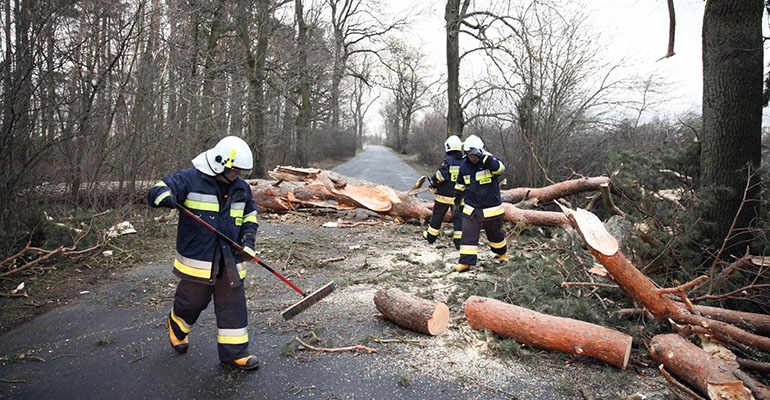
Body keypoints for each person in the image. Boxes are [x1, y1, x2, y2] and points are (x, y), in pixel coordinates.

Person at [147, 136, 260, 371]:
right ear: (220, 164)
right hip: (198, 259)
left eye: (241, 170)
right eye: (235, 170)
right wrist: (164, 197)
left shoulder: (242, 188)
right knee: (192, 302)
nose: (238, 174)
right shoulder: (190, 179)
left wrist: (248, 242)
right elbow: (158, 189)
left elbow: (250, 217)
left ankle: (235, 353)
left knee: (233, 304)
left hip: (230, 258)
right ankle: (177, 325)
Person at [453, 134, 508, 272]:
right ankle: (466, 262)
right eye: (469, 154)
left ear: (479, 151)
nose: (471, 157)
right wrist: (457, 201)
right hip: (472, 207)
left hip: (491, 207)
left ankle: (502, 253)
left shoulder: (490, 161)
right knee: (468, 233)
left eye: (473, 154)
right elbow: (460, 185)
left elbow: (500, 169)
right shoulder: (464, 166)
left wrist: (485, 159)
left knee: (494, 233)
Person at [423, 135, 464, 250]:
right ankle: (459, 242)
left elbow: (441, 176)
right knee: (458, 219)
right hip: (458, 197)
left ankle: (431, 237)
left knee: (437, 217)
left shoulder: (447, 161)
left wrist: (433, 181)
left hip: (444, 197)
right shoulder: (464, 161)